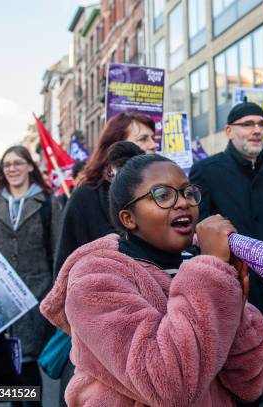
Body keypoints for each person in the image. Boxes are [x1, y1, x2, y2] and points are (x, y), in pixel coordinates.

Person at [40, 151, 263, 406]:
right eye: (162, 195)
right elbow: (168, 386)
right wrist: (210, 271)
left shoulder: (207, 270)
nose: (183, 203)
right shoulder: (94, 278)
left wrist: (234, 302)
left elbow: (253, 384)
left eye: (188, 192)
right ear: (128, 219)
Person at [52, 112, 153, 404]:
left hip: (148, 340)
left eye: (153, 139)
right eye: (142, 139)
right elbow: (64, 272)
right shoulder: (86, 197)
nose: (151, 145)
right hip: (98, 344)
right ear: (117, 147)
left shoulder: (161, 196)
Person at [190, 101, 263, 342]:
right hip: (233, 289)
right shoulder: (205, 171)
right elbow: (199, 229)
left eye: (261, 124)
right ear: (229, 131)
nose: (257, 130)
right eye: (247, 124)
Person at [0, 145, 62, 406]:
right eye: (7, 165)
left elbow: (58, 251)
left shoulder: (48, 202)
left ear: (29, 166)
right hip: (0, 301)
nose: (12, 169)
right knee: (11, 366)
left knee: (27, 364)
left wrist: (54, 295)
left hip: (36, 296)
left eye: (18, 163)